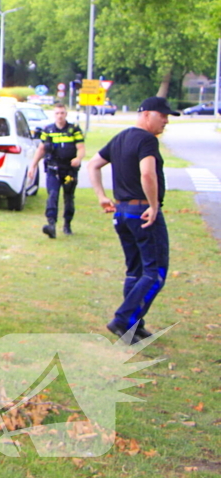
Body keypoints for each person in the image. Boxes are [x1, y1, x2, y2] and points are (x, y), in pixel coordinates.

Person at [87, 96, 179, 344]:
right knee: (155, 272)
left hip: (123, 214)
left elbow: (93, 164)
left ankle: (133, 326)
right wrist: (153, 205)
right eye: (163, 116)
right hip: (143, 213)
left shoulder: (121, 137)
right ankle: (123, 320)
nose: (166, 122)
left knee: (136, 271)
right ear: (148, 114)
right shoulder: (147, 140)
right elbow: (147, 173)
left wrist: (101, 197)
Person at [28, 104, 85, 238]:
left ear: (66, 114)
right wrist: (33, 165)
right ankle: (51, 225)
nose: (60, 116)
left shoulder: (73, 129)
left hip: (69, 170)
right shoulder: (48, 130)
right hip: (53, 169)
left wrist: (78, 158)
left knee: (68, 197)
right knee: (52, 195)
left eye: (62, 113)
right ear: (54, 115)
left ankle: (67, 224)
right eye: (57, 113)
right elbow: (41, 149)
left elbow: (81, 148)